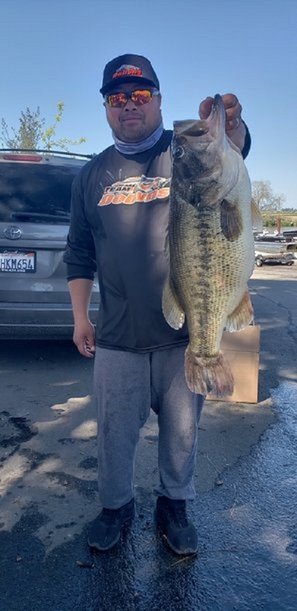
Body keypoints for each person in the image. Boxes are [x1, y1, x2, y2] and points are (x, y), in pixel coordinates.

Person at [64, 54, 251, 556]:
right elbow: (79, 253)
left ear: (159, 101)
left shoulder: (184, 151)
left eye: (140, 95)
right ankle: (116, 507)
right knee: (113, 439)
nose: (129, 105)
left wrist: (230, 123)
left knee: (181, 437)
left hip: (181, 334)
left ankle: (175, 505)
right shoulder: (91, 175)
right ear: (106, 107)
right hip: (118, 337)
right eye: (118, 98)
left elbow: (230, 149)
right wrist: (81, 316)